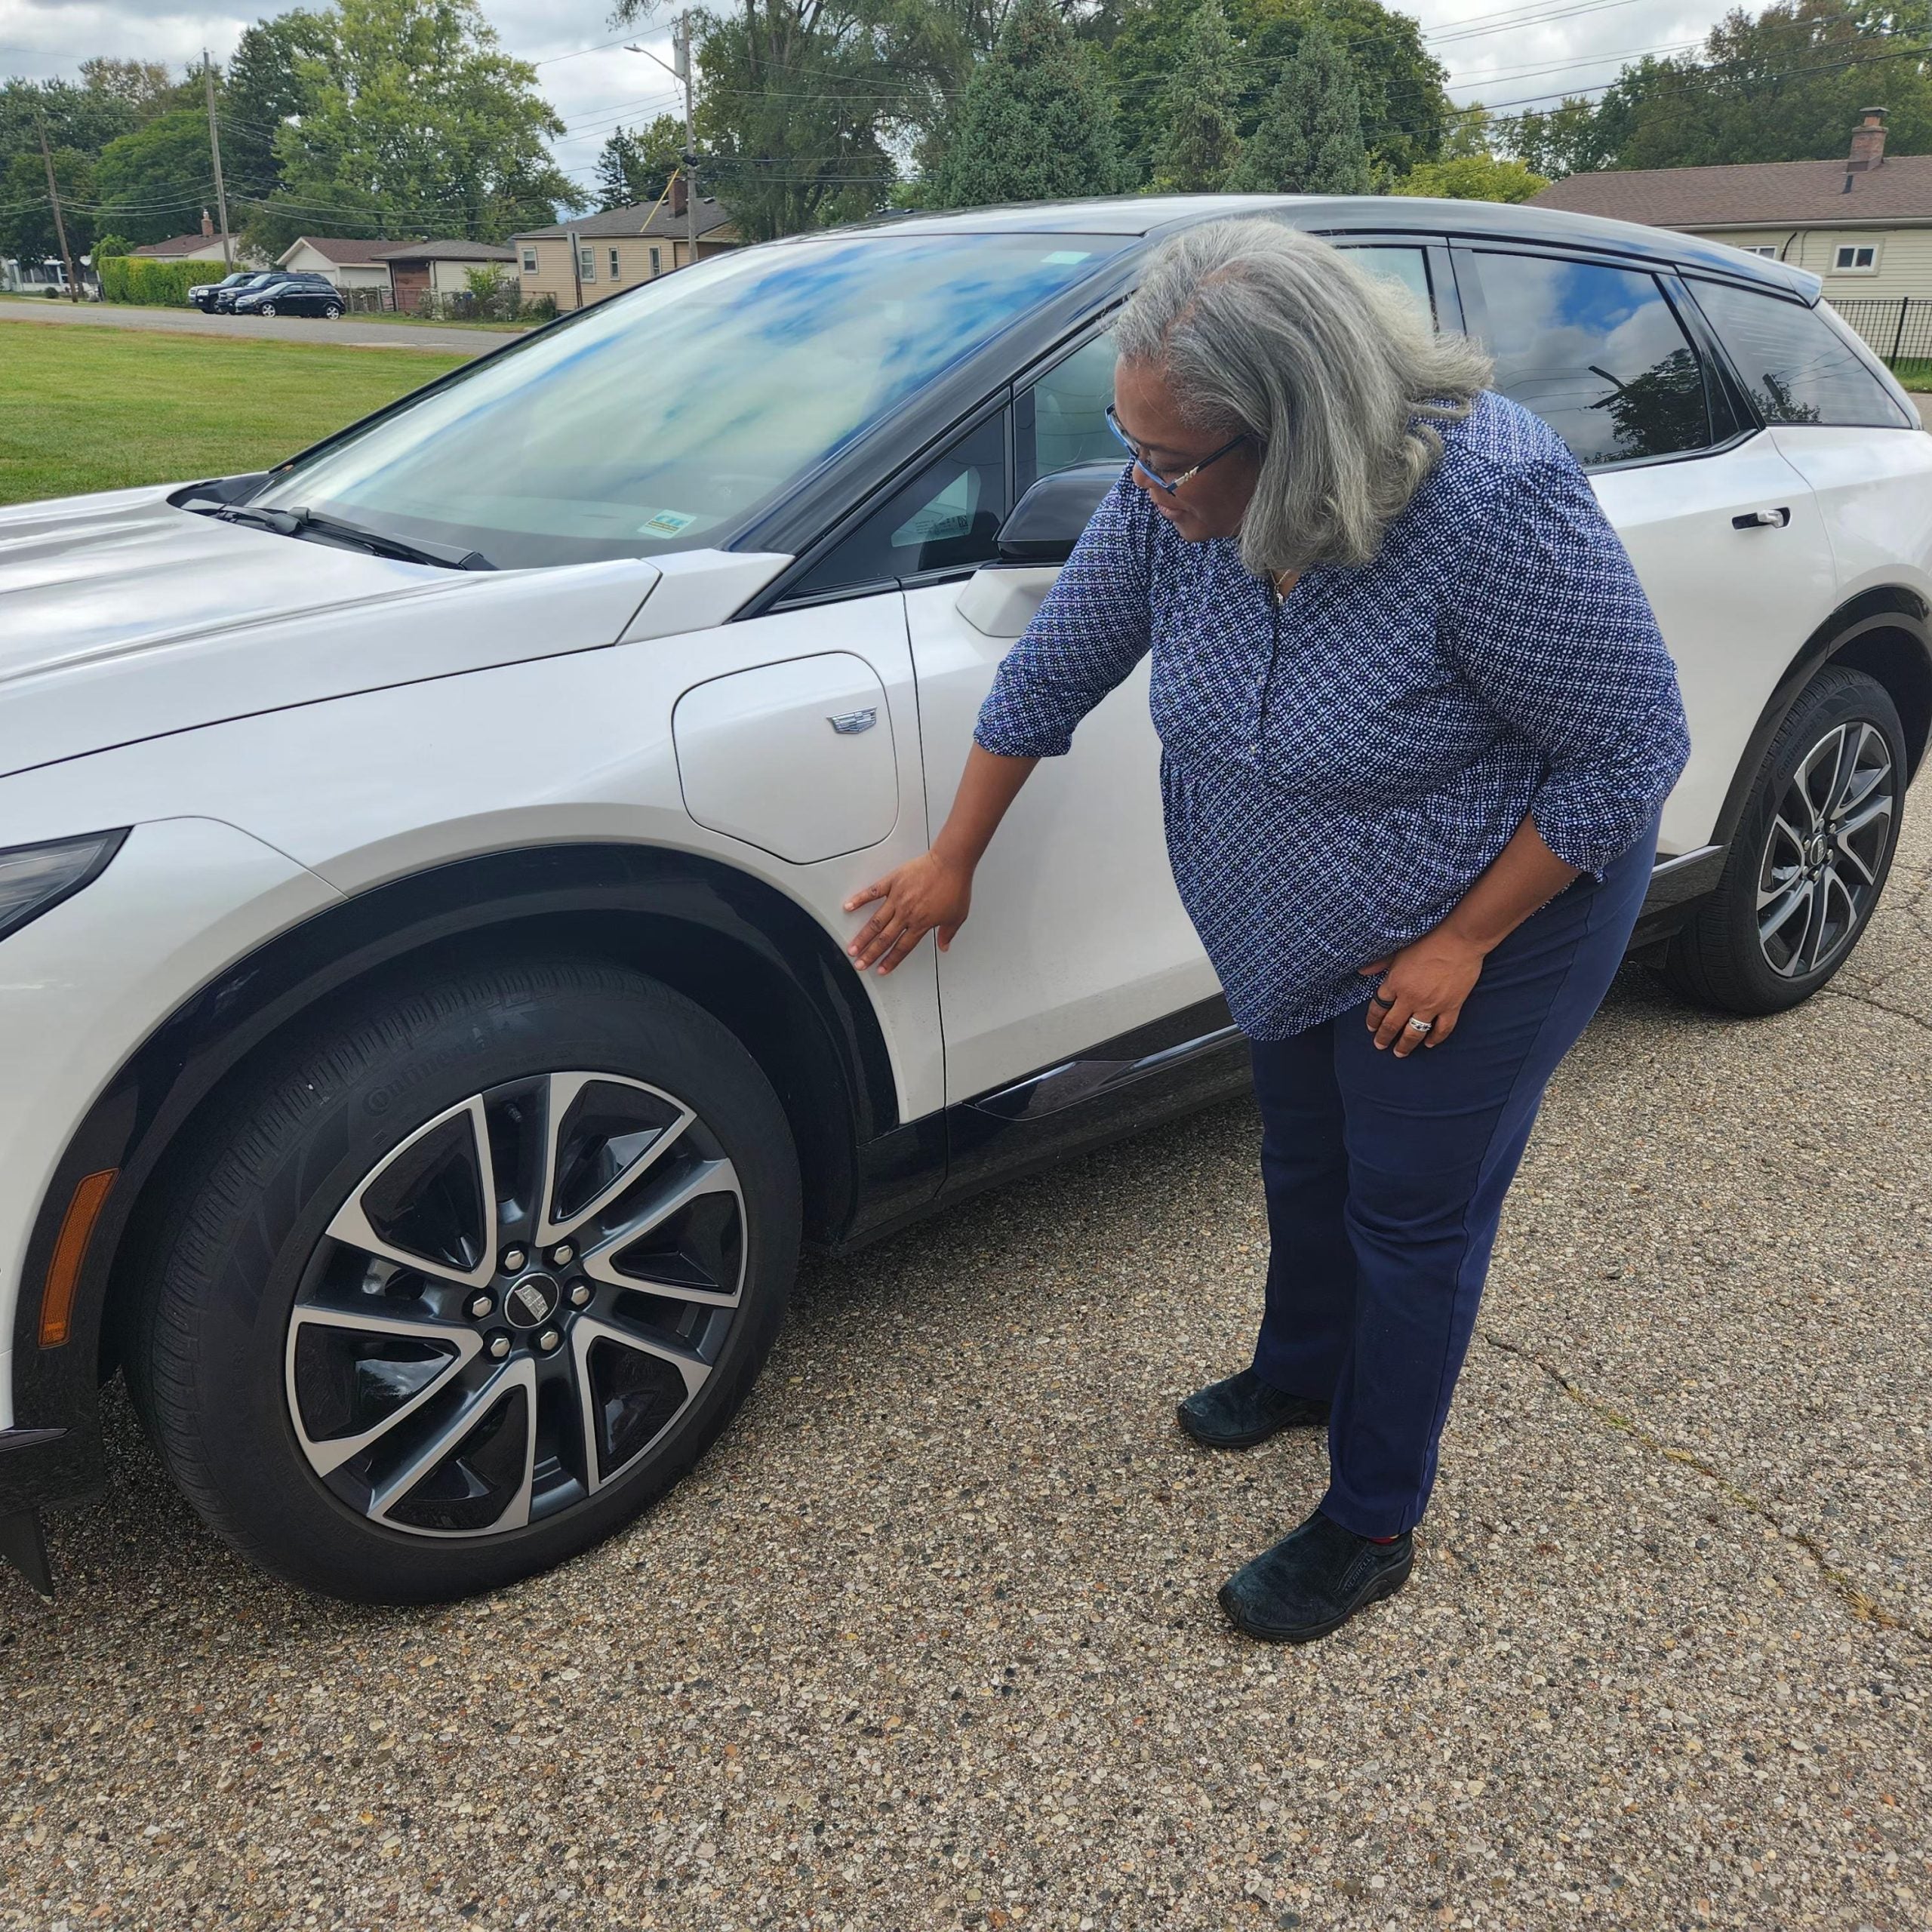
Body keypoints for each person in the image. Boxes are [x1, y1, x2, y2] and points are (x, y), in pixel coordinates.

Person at [842, 219, 1690, 1644]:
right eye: (1132, 445)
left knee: (1409, 1217)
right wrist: (952, 858)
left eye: (1174, 458)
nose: (1146, 484)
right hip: (1285, 915)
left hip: (1492, 916)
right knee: (1302, 1151)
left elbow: (1628, 753)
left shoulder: (1488, 508)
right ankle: (1303, 1368)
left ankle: (1372, 1517)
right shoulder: (1168, 501)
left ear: (1295, 434)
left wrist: (1464, 941)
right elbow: (1057, 667)